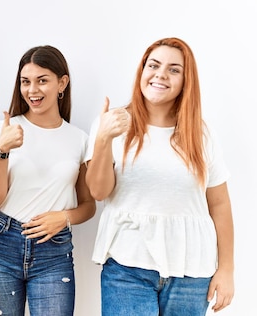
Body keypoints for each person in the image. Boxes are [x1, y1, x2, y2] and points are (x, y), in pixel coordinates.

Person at [85, 37, 234, 315]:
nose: (161, 74)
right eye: (153, 65)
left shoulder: (202, 134)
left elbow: (220, 204)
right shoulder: (112, 123)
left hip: (192, 272)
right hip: (127, 268)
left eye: (174, 69)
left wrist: (226, 269)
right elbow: (98, 191)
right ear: (142, 71)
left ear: (185, 80)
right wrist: (104, 139)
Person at [0, 45, 96, 316]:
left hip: (54, 252)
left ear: (62, 83)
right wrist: (1, 150)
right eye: (25, 82)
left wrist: (64, 217)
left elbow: (89, 205)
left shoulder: (79, 140)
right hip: (2, 245)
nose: (32, 90)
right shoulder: (3, 130)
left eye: (42, 80)